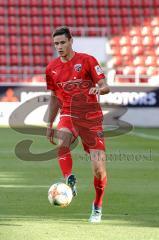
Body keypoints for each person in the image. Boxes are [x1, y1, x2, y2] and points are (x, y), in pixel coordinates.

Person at [46, 26, 110, 223]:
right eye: (56, 43)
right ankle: (69, 179)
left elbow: (105, 86)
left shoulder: (87, 60)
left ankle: (97, 206)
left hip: (91, 119)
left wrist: (98, 90)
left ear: (71, 41)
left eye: (62, 42)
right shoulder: (51, 68)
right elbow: (54, 97)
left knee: (99, 169)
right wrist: (49, 123)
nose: (59, 47)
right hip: (69, 115)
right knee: (62, 140)